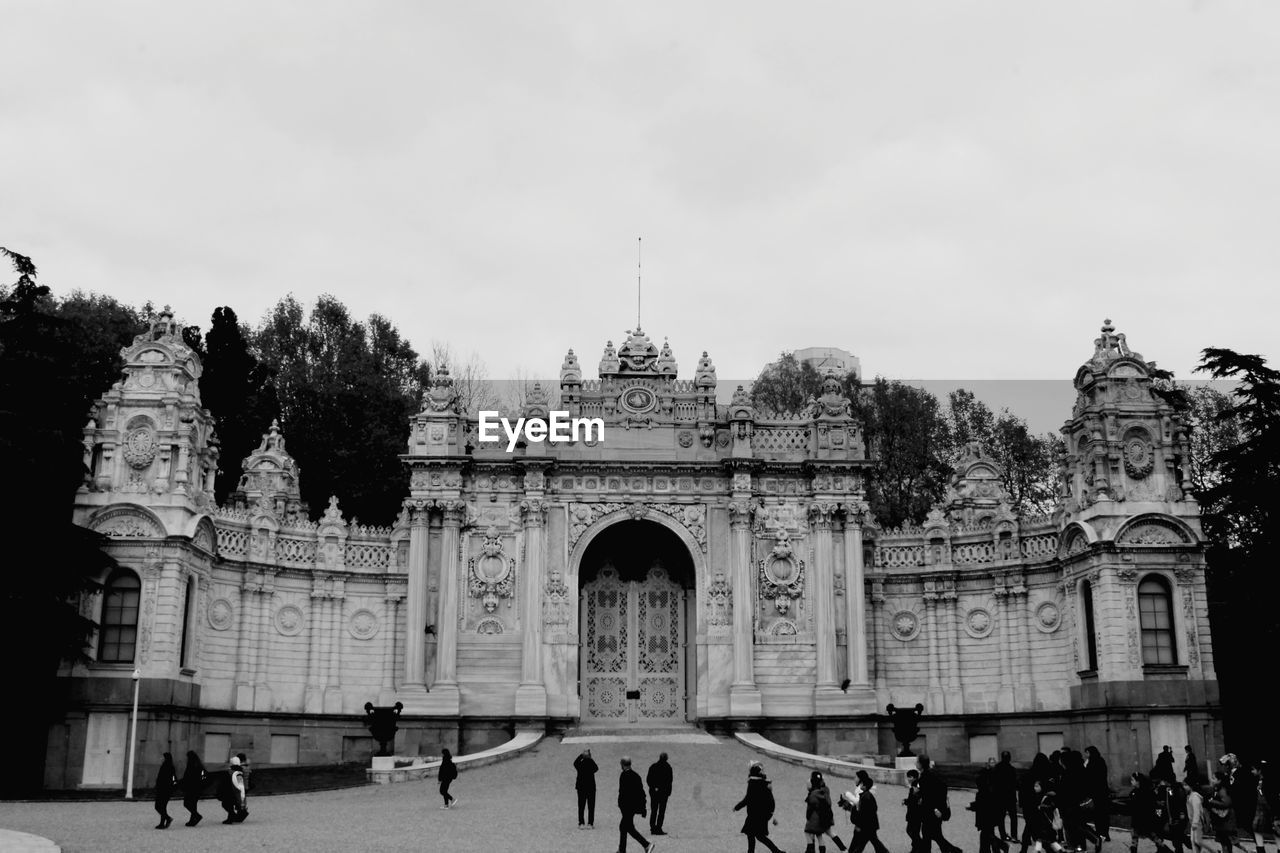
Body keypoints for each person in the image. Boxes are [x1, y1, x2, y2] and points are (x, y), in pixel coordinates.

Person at [735, 761, 785, 853]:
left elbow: (748, 799)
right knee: (759, 836)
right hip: (763, 815)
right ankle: (775, 851)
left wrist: (737, 807)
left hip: (754, 814)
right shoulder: (765, 784)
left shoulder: (753, 784)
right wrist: (771, 813)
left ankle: (773, 851)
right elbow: (771, 801)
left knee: (752, 834)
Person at [838, 770, 891, 853]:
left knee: (861, 844)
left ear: (861, 782)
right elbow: (859, 807)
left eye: (856, 777)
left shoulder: (865, 795)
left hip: (865, 825)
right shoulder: (865, 795)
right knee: (873, 842)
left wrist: (848, 797)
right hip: (867, 824)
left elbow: (861, 810)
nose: (854, 779)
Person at [918, 756, 961, 853]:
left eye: (917, 762)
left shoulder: (925, 777)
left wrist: (935, 809)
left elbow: (929, 796)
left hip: (931, 811)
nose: (915, 764)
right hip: (932, 810)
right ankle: (953, 851)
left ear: (921, 764)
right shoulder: (930, 774)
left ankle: (954, 851)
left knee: (931, 835)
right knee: (933, 835)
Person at [617, 756, 654, 853]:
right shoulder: (636, 776)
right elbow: (641, 793)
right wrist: (643, 808)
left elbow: (623, 793)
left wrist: (621, 804)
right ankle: (623, 849)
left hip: (627, 807)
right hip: (632, 807)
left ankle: (646, 845)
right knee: (626, 827)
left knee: (625, 827)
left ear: (622, 764)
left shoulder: (623, 776)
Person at [973, 758, 1010, 853]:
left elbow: (982, 803)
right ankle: (990, 849)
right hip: (990, 813)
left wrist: (973, 806)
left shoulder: (985, 790)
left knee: (987, 834)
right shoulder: (990, 786)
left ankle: (1001, 846)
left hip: (986, 814)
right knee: (987, 834)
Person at [804, 770, 847, 853]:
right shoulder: (826, 790)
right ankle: (843, 849)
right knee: (827, 833)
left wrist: (808, 817)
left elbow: (810, 808)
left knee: (809, 832)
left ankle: (810, 850)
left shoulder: (813, 794)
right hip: (827, 816)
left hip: (816, 819)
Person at [1083, 746, 1111, 851]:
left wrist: (1085, 767)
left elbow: (1089, 776)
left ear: (1090, 753)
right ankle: (1105, 833)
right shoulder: (1100, 761)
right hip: (1102, 791)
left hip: (1095, 792)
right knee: (1103, 813)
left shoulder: (1092, 762)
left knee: (1098, 813)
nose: (1086, 755)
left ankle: (1100, 833)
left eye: (1087, 753)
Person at [1128, 773, 1162, 853]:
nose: (1131, 782)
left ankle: (1163, 848)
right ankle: (1133, 848)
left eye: (1132, 780)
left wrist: (1158, 816)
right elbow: (1131, 806)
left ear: (1138, 781)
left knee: (1152, 835)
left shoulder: (1148, 792)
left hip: (1147, 819)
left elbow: (1156, 806)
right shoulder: (1133, 792)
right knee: (1134, 834)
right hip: (1136, 818)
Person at [1250, 761, 1278, 853]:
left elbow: (1272, 798)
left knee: (1276, 832)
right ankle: (1261, 849)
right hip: (1262, 809)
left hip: (1269, 810)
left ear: (1260, 770)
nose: (1252, 771)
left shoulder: (1268, 782)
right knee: (1257, 830)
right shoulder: (1260, 781)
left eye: (1253, 769)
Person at [1207, 771, 1237, 853]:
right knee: (1224, 841)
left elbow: (1227, 803)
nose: (1211, 780)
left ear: (1219, 780)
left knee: (1225, 840)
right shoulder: (1217, 789)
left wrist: (1211, 801)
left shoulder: (1222, 790)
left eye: (1214, 778)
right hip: (1221, 819)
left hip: (1225, 819)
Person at [993, 752, 1020, 842]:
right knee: (1013, 817)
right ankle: (1014, 836)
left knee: (1001, 817)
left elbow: (993, 784)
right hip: (1010, 797)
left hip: (1000, 797)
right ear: (1009, 758)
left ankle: (1003, 835)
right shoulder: (1011, 769)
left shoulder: (996, 768)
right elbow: (1015, 784)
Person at [647, 752, 673, 835]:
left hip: (654, 793)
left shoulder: (653, 766)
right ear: (666, 758)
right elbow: (669, 781)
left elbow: (649, 779)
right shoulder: (668, 768)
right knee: (661, 811)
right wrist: (668, 792)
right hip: (663, 793)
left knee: (654, 810)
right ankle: (658, 828)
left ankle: (652, 827)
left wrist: (654, 787)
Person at [575, 748, 599, 829]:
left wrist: (581, 755)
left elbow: (575, 763)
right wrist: (590, 758)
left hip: (581, 787)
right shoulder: (591, 763)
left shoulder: (580, 764)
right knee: (591, 806)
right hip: (591, 787)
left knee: (581, 806)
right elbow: (596, 768)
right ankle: (590, 823)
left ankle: (581, 823)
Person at [180, 749, 205, 827]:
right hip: (197, 788)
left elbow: (188, 777)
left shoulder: (191, 765)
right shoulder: (198, 765)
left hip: (192, 788)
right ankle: (192, 820)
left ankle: (196, 816)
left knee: (187, 803)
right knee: (193, 804)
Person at [905, 769, 926, 853]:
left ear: (913, 777)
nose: (908, 779)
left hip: (915, 813)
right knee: (914, 831)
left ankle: (920, 846)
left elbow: (915, 800)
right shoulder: (916, 785)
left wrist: (907, 801)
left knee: (911, 830)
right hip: (914, 813)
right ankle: (916, 848)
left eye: (909, 777)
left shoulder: (916, 785)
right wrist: (906, 801)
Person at [154, 752, 177, 829]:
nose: (161, 758)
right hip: (164, 789)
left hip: (164, 789)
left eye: (163, 757)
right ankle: (162, 823)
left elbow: (173, 778)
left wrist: (172, 786)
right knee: (162, 807)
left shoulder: (168, 766)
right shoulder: (166, 765)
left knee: (158, 806)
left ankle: (167, 819)